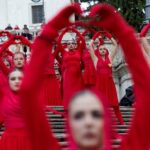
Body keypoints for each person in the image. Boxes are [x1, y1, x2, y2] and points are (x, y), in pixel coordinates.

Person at [20, 3, 150, 150]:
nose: (88, 122)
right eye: (79, 115)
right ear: (69, 124)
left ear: (107, 121)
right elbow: (28, 94)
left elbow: (146, 91)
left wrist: (122, 31)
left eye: (96, 114)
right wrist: (50, 31)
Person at [88, 31, 124, 125]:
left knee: (115, 104)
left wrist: (109, 36)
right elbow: (89, 45)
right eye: (101, 49)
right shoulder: (95, 59)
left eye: (104, 49)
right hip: (100, 84)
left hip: (109, 83)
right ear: (98, 51)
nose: (103, 50)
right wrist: (95, 36)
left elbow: (116, 45)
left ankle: (121, 122)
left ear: (106, 50)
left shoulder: (110, 58)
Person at [57, 27, 85, 108]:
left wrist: (75, 30)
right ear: (67, 45)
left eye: (73, 43)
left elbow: (82, 40)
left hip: (77, 76)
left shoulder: (78, 51)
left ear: (75, 44)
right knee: (68, 93)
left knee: (78, 93)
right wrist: (65, 31)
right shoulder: (64, 52)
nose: (71, 45)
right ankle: (68, 110)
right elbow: (59, 42)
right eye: (69, 44)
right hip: (67, 76)